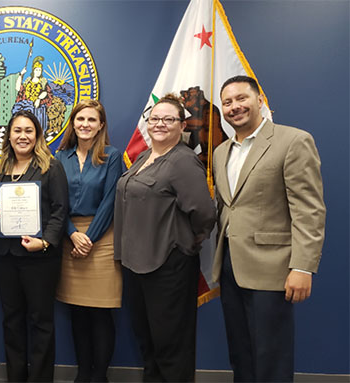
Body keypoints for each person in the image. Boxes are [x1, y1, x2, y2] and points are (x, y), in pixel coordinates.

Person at [212, 75, 325, 382]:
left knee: (271, 356)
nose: (234, 107)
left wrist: (302, 267)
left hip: (273, 269)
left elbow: (309, 210)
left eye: (241, 98)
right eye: (227, 102)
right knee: (241, 354)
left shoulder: (293, 141)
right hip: (230, 268)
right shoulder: (221, 152)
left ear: (260, 99)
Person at [113, 94, 216, 381]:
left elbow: (205, 213)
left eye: (168, 119)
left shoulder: (183, 162)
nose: (159, 124)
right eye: (154, 118)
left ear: (182, 125)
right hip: (136, 265)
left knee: (171, 348)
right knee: (149, 343)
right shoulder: (146, 156)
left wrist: (186, 240)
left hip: (168, 267)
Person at [0, 110, 68, 382]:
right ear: (9, 135)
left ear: (37, 135)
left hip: (40, 258)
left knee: (41, 322)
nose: (22, 136)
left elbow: (60, 211)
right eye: (17, 131)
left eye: (28, 131)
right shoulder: (0, 169)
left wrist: (45, 242)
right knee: (11, 321)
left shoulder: (50, 167)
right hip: (5, 256)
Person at [54, 99, 122, 382]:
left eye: (92, 120)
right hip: (68, 236)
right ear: (73, 122)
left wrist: (88, 239)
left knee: (100, 313)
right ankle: (83, 374)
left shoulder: (112, 155)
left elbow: (110, 201)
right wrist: (72, 234)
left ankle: (99, 376)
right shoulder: (60, 157)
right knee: (78, 312)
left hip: (102, 238)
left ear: (101, 125)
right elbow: (55, 202)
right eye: (80, 119)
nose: (85, 125)